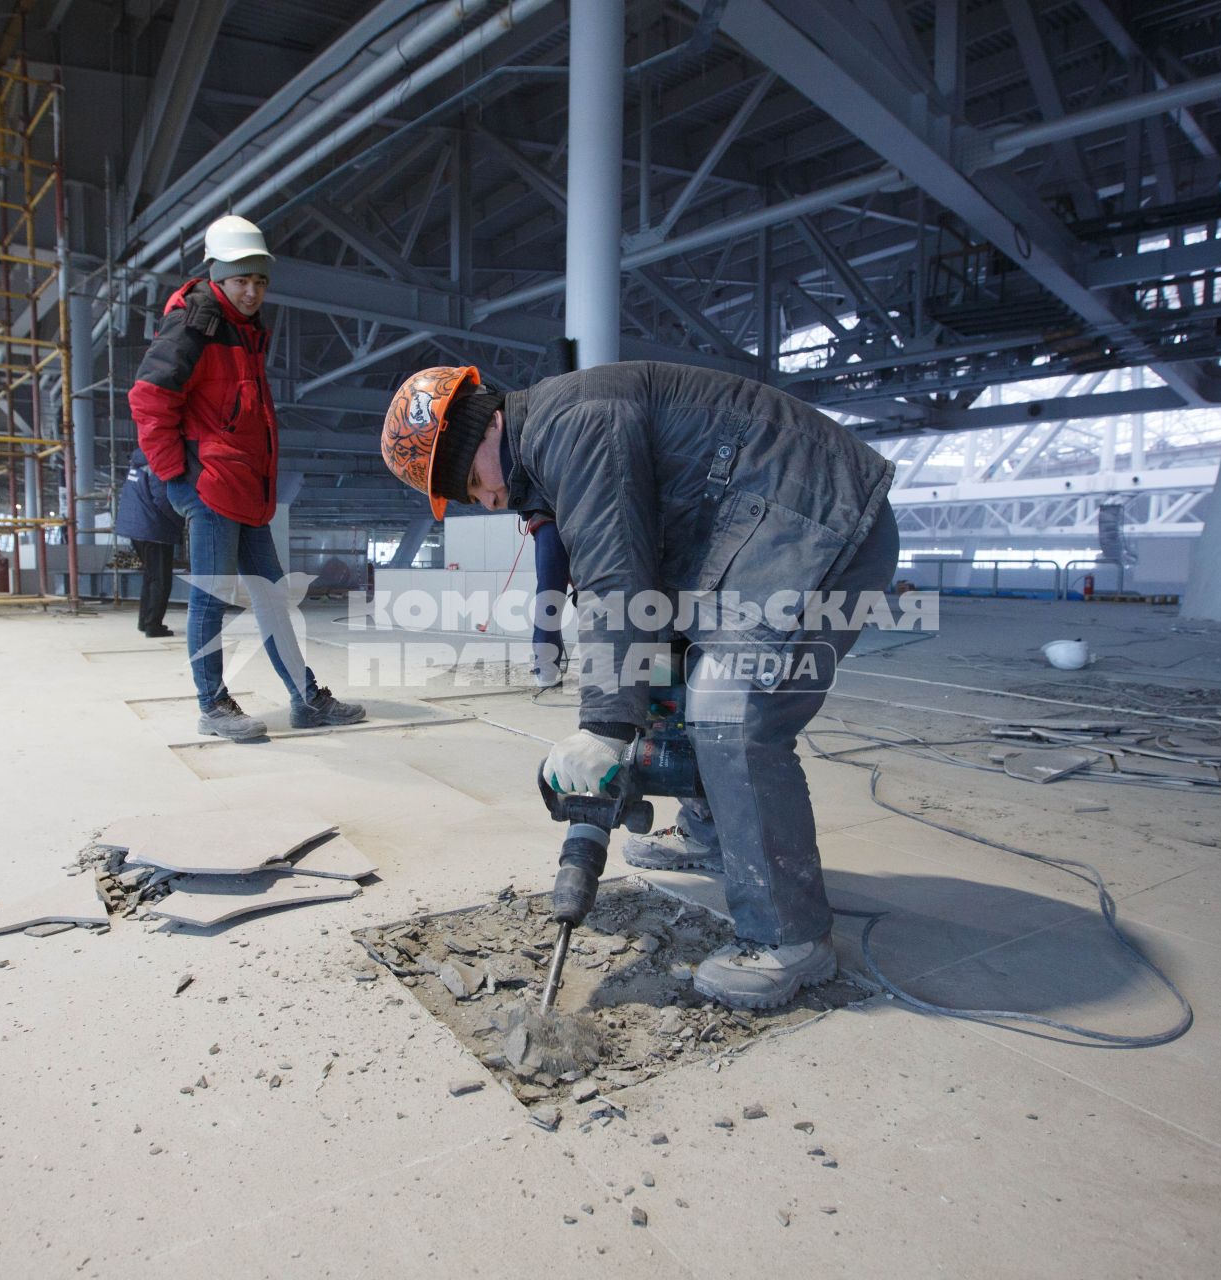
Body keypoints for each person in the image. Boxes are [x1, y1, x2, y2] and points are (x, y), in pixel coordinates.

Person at [381, 362, 900, 1010]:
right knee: (666, 678)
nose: (484, 499)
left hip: (820, 523)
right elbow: (631, 586)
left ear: (479, 431)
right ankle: (712, 835)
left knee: (729, 710)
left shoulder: (574, 424)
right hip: (766, 531)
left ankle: (790, 938)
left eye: (469, 483)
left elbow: (613, 574)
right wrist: (627, 710)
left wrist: (602, 727)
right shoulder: (554, 441)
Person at [128, 213, 366, 741]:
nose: (253, 290)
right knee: (211, 597)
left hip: (247, 487)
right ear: (218, 274)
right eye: (242, 279)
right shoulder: (196, 322)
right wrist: (177, 474)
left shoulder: (244, 327)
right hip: (211, 484)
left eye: (260, 280)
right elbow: (149, 398)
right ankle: (213, 705)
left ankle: (306, 700)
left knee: (273, 598)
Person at [117, 446, 182, 638]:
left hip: (136, 528)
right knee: (161, 579)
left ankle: (144, 621)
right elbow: (162, 498)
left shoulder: (138, 462)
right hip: (154, 528)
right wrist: (182, 519)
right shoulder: (157, 461)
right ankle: (153, 625)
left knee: (151, 576)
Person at [524, 512, 569, 688]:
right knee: (550, 597)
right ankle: (545, 670)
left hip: (555, 520)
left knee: (550, 595)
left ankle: (546, 670)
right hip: (552, 519)